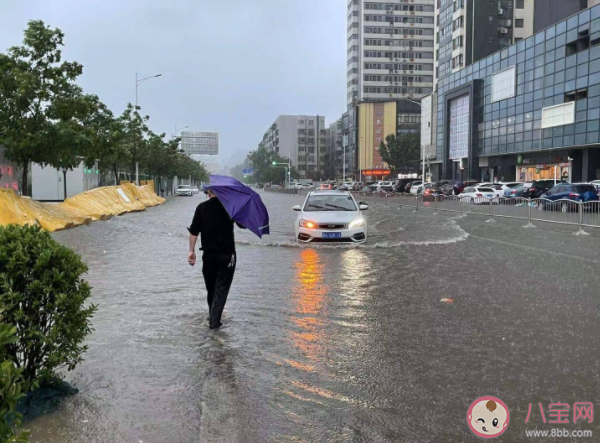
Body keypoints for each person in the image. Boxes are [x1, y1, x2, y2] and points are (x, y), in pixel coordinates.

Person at [187, 188, 244, 329]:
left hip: (208, 255)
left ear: (209, 193)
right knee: (222, 288)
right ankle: (214, 322)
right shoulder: (230, 207)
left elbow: (194, 231)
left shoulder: (201, 207)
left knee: (211, 288)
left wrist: (191, 251)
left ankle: (212, 315)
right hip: (228, 255)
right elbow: (243, 225)